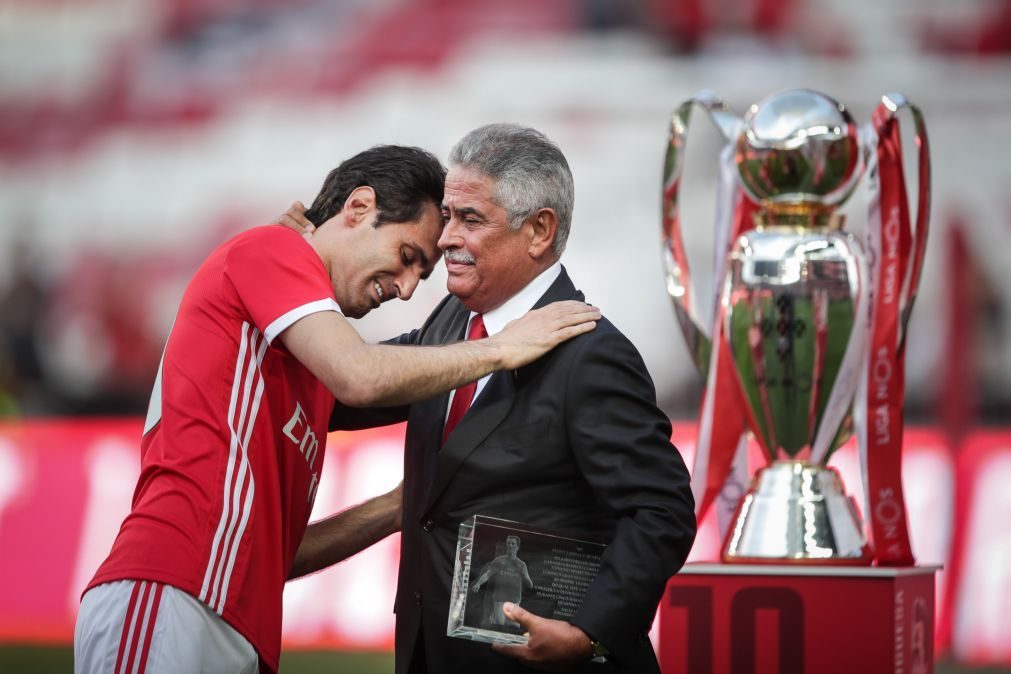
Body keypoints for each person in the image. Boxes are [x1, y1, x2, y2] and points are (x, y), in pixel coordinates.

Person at [73, 144, 601, 674]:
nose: (407, 288)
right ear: (358, 208)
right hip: (170, 589)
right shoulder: (273, 250)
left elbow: (277, 554)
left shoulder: (303, 369)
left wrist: (403, 505)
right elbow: (363, 376)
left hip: (234, 616)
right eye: (408, 256)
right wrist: (502, 348)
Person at [283, 124, 696, 674]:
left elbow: (661, 509)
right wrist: (286, 284)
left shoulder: (592, 354)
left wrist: (588, 630)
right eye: (449, 216)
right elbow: (352, 384)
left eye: (470, 219)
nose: (445, 238)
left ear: (539, 231)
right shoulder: (456, 317)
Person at [471, 535, 533, 628]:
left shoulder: (521, 565)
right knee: (499, 624)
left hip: (514, 600)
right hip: (499, 598)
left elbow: (530, 584)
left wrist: (527, 580)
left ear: (517, 547)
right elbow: (488, 574)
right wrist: (478, 584)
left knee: (514, 627)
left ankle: (494, 618)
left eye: (513, 544)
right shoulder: (499, 560)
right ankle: (494, 617)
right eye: (508, 543)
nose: (510, 545)